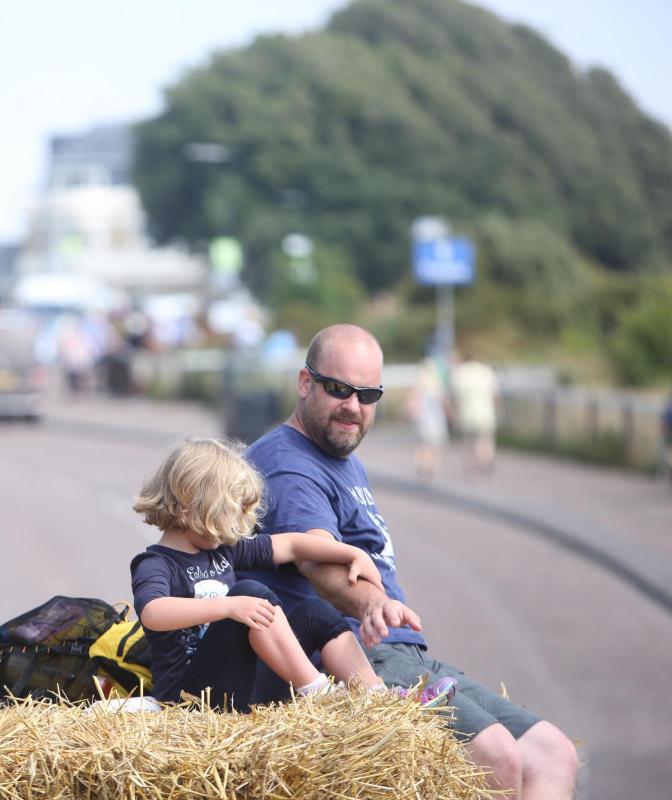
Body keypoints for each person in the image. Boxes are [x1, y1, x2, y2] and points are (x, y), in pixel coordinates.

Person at [242, 324, 578, 797]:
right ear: (305, 383)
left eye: (368, 394)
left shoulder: (341, 457)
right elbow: (319, 558)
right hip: (355, 657)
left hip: (402, 651)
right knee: (494, 755)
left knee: (551, 753)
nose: (353, 407)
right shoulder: (287, 463)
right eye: (338, 389)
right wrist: (371, 603)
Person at [129, 437, 455, 711]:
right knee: (249, 592)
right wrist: (229, 607)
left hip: (247, 687)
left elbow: (293, 546)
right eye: (223, 516)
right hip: (195, 701)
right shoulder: (156, 563)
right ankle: (321, 696)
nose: (230, 529)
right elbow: (154, 613)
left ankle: (379, 702)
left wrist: (352, 553)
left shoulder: (222, 550)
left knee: (315, 612)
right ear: (189, 507)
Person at [451, 350, 501, 473]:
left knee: (468, 441)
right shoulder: (485, 371)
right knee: (486, 438)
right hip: (485, 411)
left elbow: (455, 396)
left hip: (466, 412)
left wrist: (453, 412)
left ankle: (470, 464)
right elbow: (494, 395)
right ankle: (485, 460)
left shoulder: (460, 373)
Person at [406, 353, 449, 481]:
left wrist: (411, 412)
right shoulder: (437, 384)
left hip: (422, 419)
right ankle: (432, 469)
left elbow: (412, 400)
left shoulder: (419, 382)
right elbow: (444, 401)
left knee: (422, 445)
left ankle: (422, 465)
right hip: (436, 420)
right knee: (435, 446)